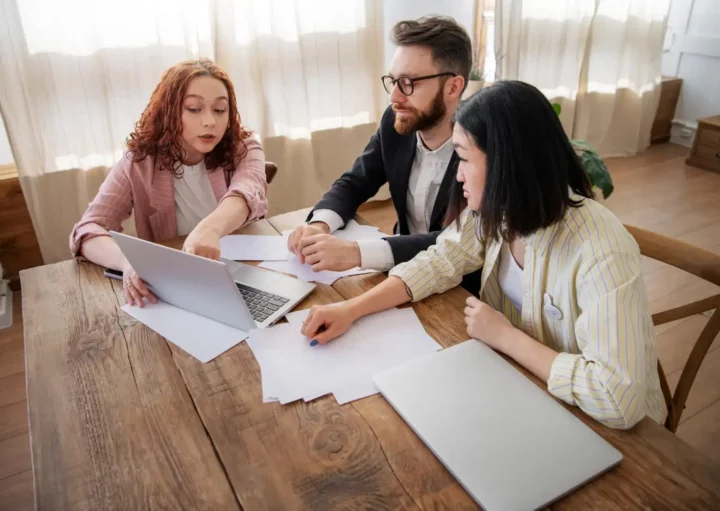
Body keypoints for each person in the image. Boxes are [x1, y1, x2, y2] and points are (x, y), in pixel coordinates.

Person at [300, 81, 665, 430]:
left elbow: (618, 398)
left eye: (462, 158)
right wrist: (351, 310)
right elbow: (439, 261)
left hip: (608, 428)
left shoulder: (601, 247)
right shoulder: (497, 211)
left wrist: (506, 337)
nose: (457, 175)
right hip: (521, 388)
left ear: (508, 163)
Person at [287, 16, 481, 294]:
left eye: (409, 82)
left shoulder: (480, 147)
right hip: (398, 273)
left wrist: (357, 253)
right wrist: (319, 225)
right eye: (393, 81)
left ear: (453, 87)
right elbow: (355, 182)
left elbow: (458, 243)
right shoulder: (396, 122)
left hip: (459, 288)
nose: (394, 97)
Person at [70, 58, 267, 308]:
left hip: (245, 274)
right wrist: (128, 262)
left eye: (220, 110)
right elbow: (87, 231)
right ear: (169, 111)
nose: (210, 122)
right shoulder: (140, 162)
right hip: (177, 287)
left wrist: (210, 230)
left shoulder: (245, 148)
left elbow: (247, 192)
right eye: (194, 109)